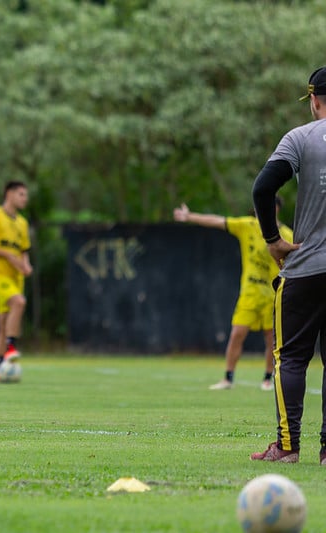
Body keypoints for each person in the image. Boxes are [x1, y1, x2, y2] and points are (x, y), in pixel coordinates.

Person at [250, 66, 326, 463]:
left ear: (314, 100)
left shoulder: (300, 137)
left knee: (292, 358)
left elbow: (263, 187)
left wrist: (273, 240)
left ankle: (287, 446)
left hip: (307, 266)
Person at [173, 199, 293, 391]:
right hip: (250, 292)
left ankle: (267, 378)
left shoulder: (286, 235)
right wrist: (189, 216)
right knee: (237, 333)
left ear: (276, 209)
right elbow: (217, 221)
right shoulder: (248, 225)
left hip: (273, 294)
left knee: (271, 339)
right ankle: (228, 378)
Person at [0, 181, 32, 379]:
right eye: (21, 194)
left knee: (4, 324)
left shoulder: (22, 223)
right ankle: (11, 348)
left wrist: (26, 265)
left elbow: (24, 250)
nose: (25, 198)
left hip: (16, 278)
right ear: (9, 193)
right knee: (19, 302)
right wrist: (8, 256)